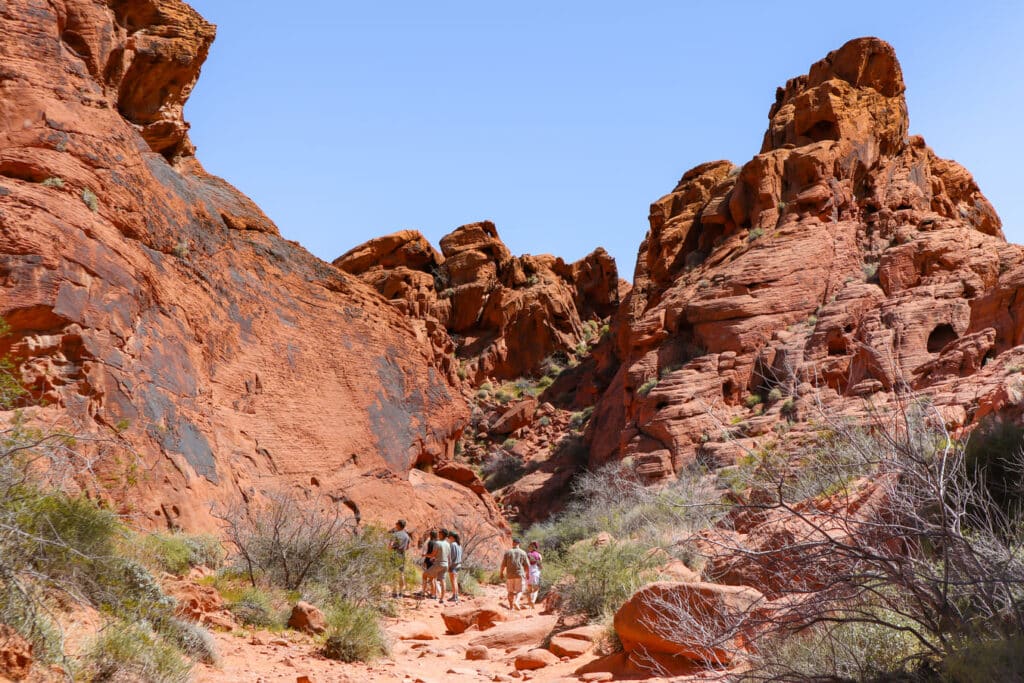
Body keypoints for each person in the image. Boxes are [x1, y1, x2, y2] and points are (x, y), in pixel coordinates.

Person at [499, 538, 530, 610]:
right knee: (519, 591)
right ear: (519, 544)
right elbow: (527, 565)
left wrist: (501, 573)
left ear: (513, 543)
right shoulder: (523, 553)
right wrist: (527, 574)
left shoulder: (508, 552)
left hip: (509, 575)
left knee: (510, 591)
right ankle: (516, 601)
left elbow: (503, 565)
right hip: (519, 574)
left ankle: (511, 607)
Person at [426, 528, 451, 604]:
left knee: (425, 575)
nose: (438, 534)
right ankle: (442, 598)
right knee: (443, 580)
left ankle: (424, 594)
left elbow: (433, 554)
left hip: (438, 564)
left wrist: (425, 555)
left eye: (439, 533)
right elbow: (449, 556)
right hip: (445, 564)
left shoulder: (437, 543)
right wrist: (448, 565)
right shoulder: (448, 544)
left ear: (442, 534)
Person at [389, 519, 411, 598]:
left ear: (399, 525)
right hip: (402, 555)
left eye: (396, 523)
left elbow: (390, 546)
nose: (395, 524)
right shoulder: (407, 536)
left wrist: (390, 549)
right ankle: (401, 592)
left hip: (395, 555)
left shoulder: (395, 534)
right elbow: (408, 547)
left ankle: (395, 592)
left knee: (394, 573)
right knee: (401, 573)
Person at [446, 531, 462, 604]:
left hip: (453, 565)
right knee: (455, 580)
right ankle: (456, 596)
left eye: (449, 537)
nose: (448, 538)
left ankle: (454, 596)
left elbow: (451, 556)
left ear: (452, 537)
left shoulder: (452, 544)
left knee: (453, 581)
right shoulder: (459, 545)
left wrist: (449, 565)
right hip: (458, 564)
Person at [421, 530, 438, 598]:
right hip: (436, 561)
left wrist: (424, 557)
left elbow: (429, 553)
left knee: (430, 578)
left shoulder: (430, 542)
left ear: (430, 535)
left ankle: (428, 593)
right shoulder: (438, 542)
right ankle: (434, 593)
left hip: (430, 561)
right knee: (434, 578)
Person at [526, 541, 543, 607]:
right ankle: (533, 601)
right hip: (536, 572)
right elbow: (540, 564)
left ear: (531, 547)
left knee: (529, 589)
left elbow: (525, 564)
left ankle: (529, 602)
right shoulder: (539, 555)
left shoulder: (528, 554)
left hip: (528, 572)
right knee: (536, 589)